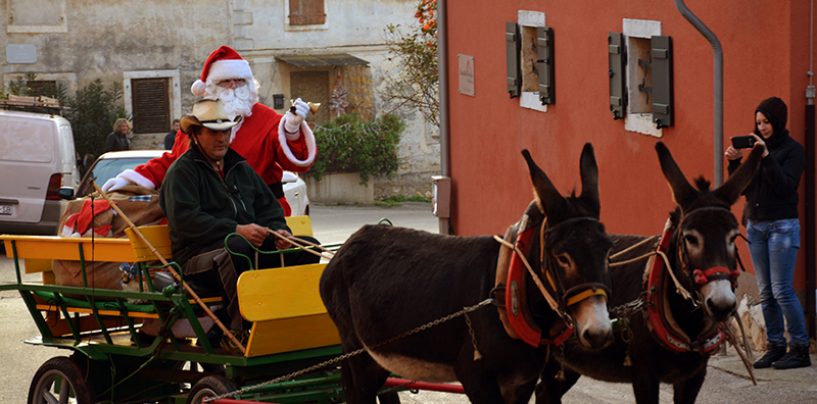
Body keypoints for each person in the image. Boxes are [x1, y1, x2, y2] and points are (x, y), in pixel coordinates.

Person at [103, 45, 317, 216]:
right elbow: (173, 162)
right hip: (210, 215)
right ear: (211, 87)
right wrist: (131, 179)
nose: (233, 86)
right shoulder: (196, 122)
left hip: (261, 214)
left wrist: (291, 130)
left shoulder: (268, 119)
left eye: (239, 81)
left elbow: (295, 163)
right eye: (226, 81)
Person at [161, 99, 307, 333]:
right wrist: (235, 230)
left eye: (226, 131)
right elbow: (186, 221)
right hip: (194, 259)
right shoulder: (182, 172)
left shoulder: (240, 167)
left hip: (244, 248)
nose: (222, 139)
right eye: (213, 132)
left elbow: (268, 207)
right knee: (236, 247)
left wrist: (280, 231)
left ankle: (291, 323)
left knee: (305, 247)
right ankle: (237, 330)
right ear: (196, 134)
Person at [725, 96, 810, 369]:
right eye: (758, 122)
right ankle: (775, 346)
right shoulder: (757, 151)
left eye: (767, 122)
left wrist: (766, 156)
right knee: (766, 291)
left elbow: (785, 186)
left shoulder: (793, 151)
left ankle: (800, 348)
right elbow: (744, 190)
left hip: (782, 226)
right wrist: (735, 164)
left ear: (778, 121)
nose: (762, 127)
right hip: (757, 226)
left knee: (783, 290)